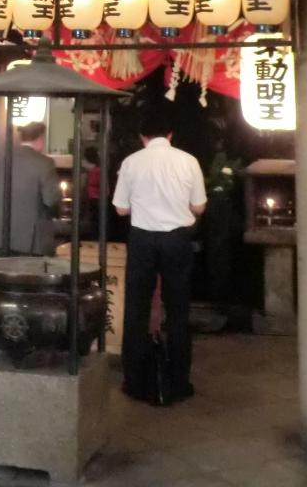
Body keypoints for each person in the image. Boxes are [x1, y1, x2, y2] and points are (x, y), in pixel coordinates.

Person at [113, 103, 206, 403]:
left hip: (142, 238)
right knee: (178, 310)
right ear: (170, 135)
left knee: (136, 309)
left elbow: (120, 209)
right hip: (177, 239)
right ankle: (179, 381)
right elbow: (199, 207)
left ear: (142, 136)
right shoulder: (188, 161)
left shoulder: (131, 163)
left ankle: (134, 380)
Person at [0, 120, 60, 256]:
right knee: (28, 270)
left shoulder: (0, 159)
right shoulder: (45, 163)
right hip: (30, 241)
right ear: (40, 138)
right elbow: (51, 200)